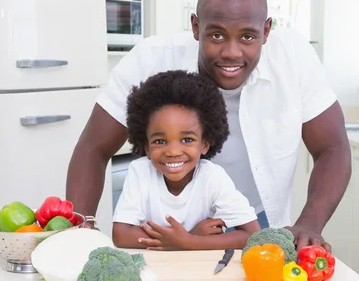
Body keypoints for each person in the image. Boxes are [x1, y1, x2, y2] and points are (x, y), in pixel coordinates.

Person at [66, 0, 351, 252]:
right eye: (216, 35)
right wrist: (81, 226)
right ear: (195, 27)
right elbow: (94, 147)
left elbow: (332, 147)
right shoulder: (150, 58)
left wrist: (310, 223)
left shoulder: (293, 56)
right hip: (167, 225)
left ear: (266, 31)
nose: (231, 52)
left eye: (248, 37)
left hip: (257, 218)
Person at [112, 70, 261, 250]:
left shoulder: (212, 177)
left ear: (204, 144)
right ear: (147, 148)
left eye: (187, 140)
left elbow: (252, 235)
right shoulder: (140, 172)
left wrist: (188, 242)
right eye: (160, 141)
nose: (173, 151)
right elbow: (121, 235)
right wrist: (188, 237)